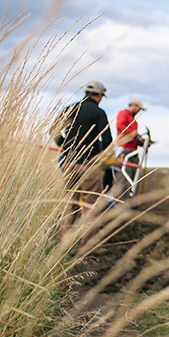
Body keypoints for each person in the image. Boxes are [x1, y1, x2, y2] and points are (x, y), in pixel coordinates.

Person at [60, 80, 113, 241]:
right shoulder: (99, 112)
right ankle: (87, 244)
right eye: (102, 96)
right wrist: (104, 160)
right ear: (98, 95)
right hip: (89, 164)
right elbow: (108, 140)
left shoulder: (71, 108)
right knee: (91, 205)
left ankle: (65, 241)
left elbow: (53, 130)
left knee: (70, 202)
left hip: (69, 162)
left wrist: (64, 146)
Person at [112, 98, 146, 201]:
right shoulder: (123, 113)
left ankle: (131, 203)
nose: (138, 111)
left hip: (133, 151)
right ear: (133, 106)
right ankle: (121, 202)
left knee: (134, 177)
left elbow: (134, 136)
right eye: (138, 109)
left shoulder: (134, 121)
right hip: (125, 149)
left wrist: (141, 142)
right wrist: (133, 134)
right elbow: (120, 126)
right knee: (125, 177)